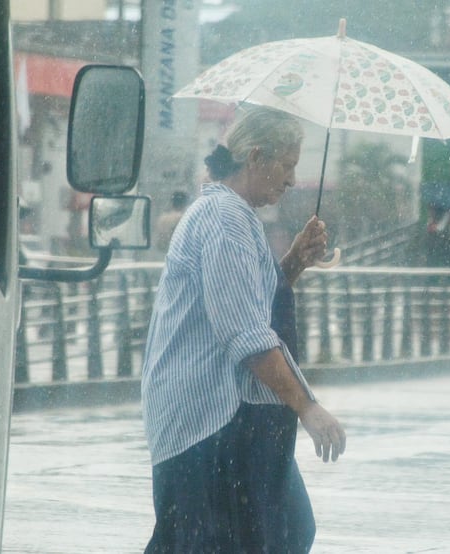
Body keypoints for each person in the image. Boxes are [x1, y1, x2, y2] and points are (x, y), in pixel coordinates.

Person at [141, 106, 346, 554]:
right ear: (255, 157)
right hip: (207, 418)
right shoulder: (224, 218)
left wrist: (292, 263)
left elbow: (247, 303)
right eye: (288, 165)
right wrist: (308, 408)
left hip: (220, 419)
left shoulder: (233, 215)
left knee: (278, 532)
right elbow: (245, 335)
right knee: (226, 541)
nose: (292, 179)